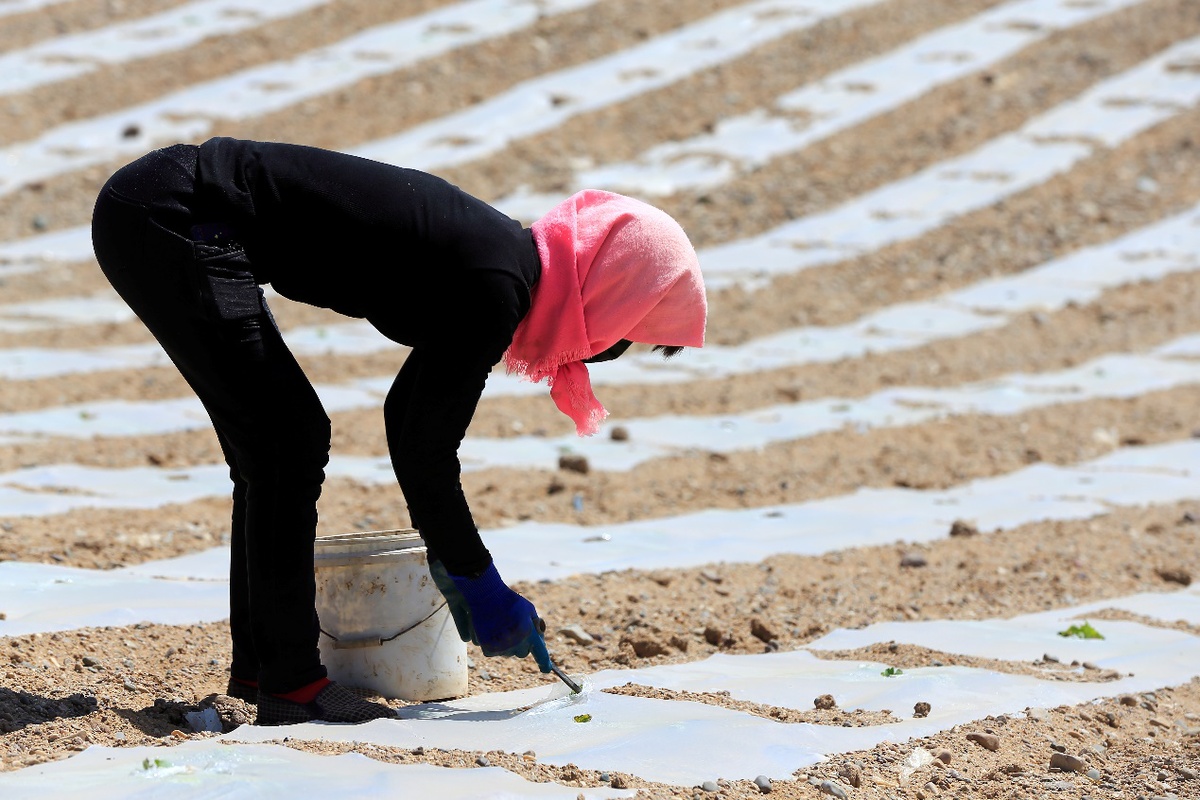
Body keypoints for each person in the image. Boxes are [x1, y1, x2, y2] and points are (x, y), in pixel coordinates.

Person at [90, 138, 707, 726]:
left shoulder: (499, 267)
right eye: (622, 338)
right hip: (176, 214)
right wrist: (477, 578)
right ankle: (290, 682)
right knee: (286, 442)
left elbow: (404, 420)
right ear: (608, 292)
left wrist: (451, 555)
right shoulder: (495, 286)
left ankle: (267, 671)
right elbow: (425, 446)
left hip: (169, 210)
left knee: (276, 444)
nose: (602, 353)